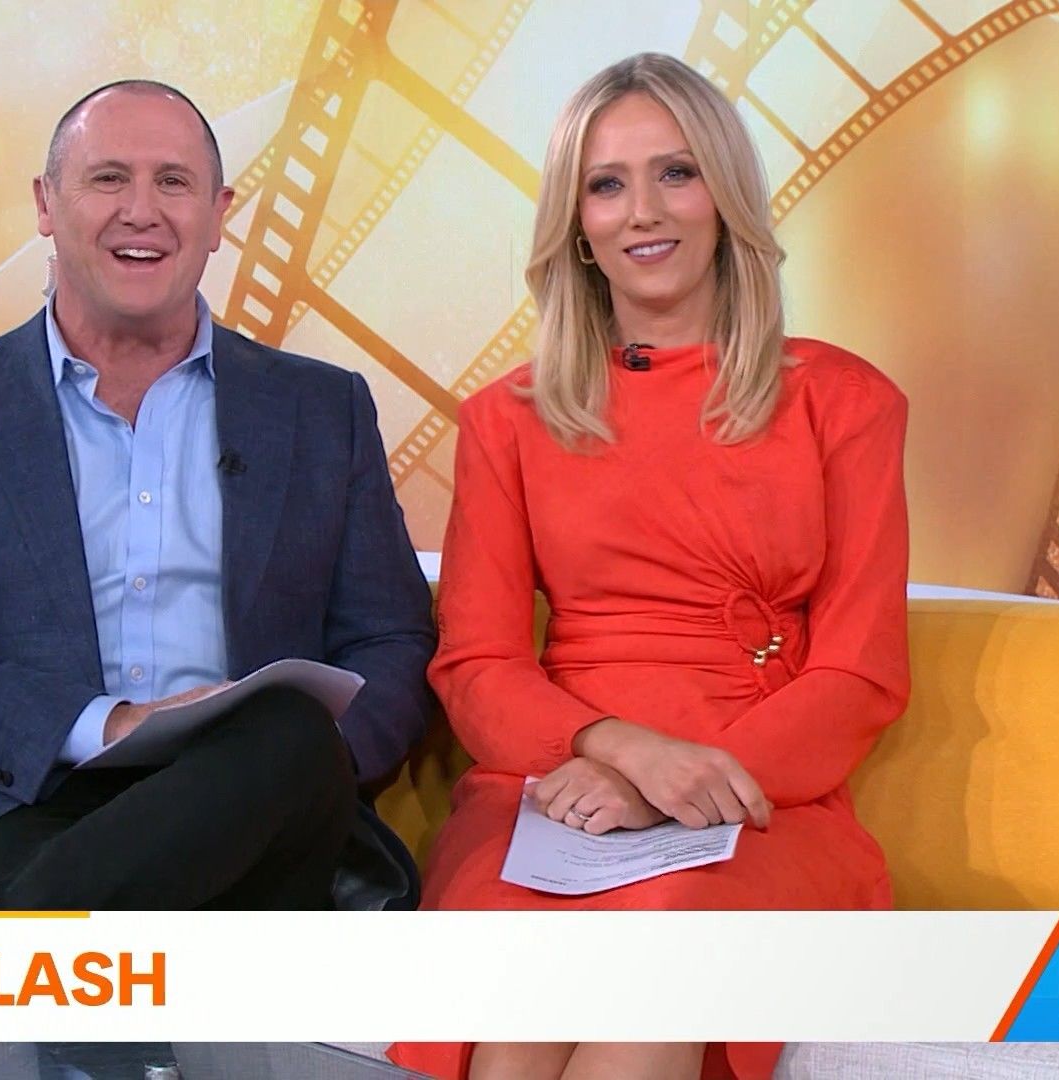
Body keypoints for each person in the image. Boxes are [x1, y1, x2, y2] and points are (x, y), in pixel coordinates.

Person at [389, 53, 910, 1080]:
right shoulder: (506, 420)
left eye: (676, 172)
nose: (643, 212)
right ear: (577, 226)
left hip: (759, 794)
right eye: (606, 184)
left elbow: (859, 674)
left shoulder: (844, 402)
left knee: (658, 964)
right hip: (554, 785)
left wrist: (676, 787)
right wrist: (620, 755)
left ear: (725, 193)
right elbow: (477, 666)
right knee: (515, 1023)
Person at [0, 80, 436, 914]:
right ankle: (58, 934)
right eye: (109, 178)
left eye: (174, 182)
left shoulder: (321, 408)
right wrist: (112, 724)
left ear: (218, 215)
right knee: (82, 880)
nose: (142, 211)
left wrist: (316, 765)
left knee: (288, 730)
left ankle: (24, 950)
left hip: (255, 799)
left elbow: (391, 638)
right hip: (20, 801)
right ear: (46, 204)